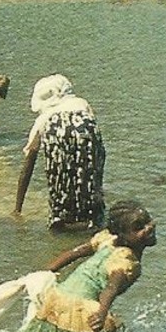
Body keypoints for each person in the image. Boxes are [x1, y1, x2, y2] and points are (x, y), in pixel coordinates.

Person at [12, 201, 156, 332]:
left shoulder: (106, 240)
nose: (149, 227)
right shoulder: (126, 261)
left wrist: (45, 271)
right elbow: (110, 288)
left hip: (55, 299)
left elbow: (76, 252)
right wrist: (101, 314)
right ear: (122, 235)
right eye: (138, 228)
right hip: (82, 311)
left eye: (148, 220)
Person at [14, 74, 106, 231]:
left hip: (55, 134)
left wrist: (17, 209)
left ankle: (60, 220)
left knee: (60, 183)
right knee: (89, 179)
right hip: (88, 135)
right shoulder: (82, 105)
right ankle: (92, 217)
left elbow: (28, 166)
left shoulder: (44, 119)